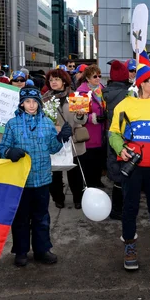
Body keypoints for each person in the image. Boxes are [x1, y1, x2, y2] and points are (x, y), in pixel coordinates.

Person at [109, 64, 150, 270]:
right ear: (142, 84)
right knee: (130, 207)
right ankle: (129, 246)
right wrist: (120, 149)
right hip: (133, 166)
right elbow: (113, 133)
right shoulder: (124, 105)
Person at [0, 85, 71, 267]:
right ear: (22, 104)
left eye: (35, 102)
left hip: (42, 179)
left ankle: (42, 249)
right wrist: (9, 151)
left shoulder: (47, 123)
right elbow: (2, 148)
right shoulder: (12, 124)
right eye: (27, 102)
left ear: (39, 103)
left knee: (41, 217)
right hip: (21, 181)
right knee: (21, 218)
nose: (31, 105)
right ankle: (21, 250)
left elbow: (53, 148)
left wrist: (61, 137)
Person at [43, 69, 88, 209]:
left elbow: (83, 120)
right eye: (51, 80)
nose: (53, 82)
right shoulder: (45, 98)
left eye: (56, 79)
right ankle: (58, 198)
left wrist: (80, 115)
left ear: (64, 80)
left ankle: (78, 198)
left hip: (73, 140)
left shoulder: (76, 96)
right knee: (55, 172)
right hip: (53, 141)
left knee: (75, 173)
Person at [103, 60, 131, 220]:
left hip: (111, 134)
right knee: (127, 172)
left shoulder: (106, 92)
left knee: (117, 173)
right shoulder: (127, 94)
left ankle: (116, 209)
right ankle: (122, 209)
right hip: (126, 135)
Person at [77, 64, 106, 188]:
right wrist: (92, 118)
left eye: (99, 76)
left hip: (101, 131)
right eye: (95, 76)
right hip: (89, 132)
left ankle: (97, 180)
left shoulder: (102, 88)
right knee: (89, 160)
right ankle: (89, 184)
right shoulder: (80, 92)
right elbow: (77, 115)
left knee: (99, 159)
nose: (98, 78)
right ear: (88, 78)